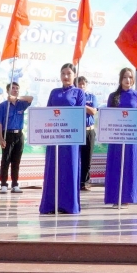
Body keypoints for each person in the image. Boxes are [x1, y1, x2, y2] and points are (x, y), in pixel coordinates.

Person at [40, 64, 86, 214]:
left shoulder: (78, 93)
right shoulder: (54, 92)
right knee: (53, 169)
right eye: (63, 74)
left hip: (70, 138)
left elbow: (80, 114)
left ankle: (68, 205)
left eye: (69, 74)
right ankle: (50, 204)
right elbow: (48, 112)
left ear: (74, 75)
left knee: (69, 168)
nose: (66, 77)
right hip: (54, 137)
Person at [104, 68, 137, 207]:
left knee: (130, 166)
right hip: (116, 137)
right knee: (116, 165)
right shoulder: (113, 96)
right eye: (125, 77)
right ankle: (115, 197)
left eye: (130, 77)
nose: (128, 80)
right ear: (120, 79)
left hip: (131, 138)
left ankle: (128, 196)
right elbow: (108, 117)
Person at [0, 82, 32, 194]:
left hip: (19, 134)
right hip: (7, 133)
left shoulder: (21, 104)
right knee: (6, 160)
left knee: (16, 161)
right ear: (8, 91)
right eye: (13, 88)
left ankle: (15, 184)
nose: (15, 90)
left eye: (17, 88)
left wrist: (16, 98)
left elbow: (31, 98)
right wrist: (1, 138)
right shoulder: (2, 106)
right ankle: (3, 184)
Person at [77, 76, 97, 191]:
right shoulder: (74, 96)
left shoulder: (91, 97)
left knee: (87, 158)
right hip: (77, 130)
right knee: (76, 157)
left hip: (89, 130)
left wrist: (82, 105)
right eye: (79, 84)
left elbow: (93, 111)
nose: (82, 86)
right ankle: (76, 181)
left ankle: (85, 182)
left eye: (83, 84)